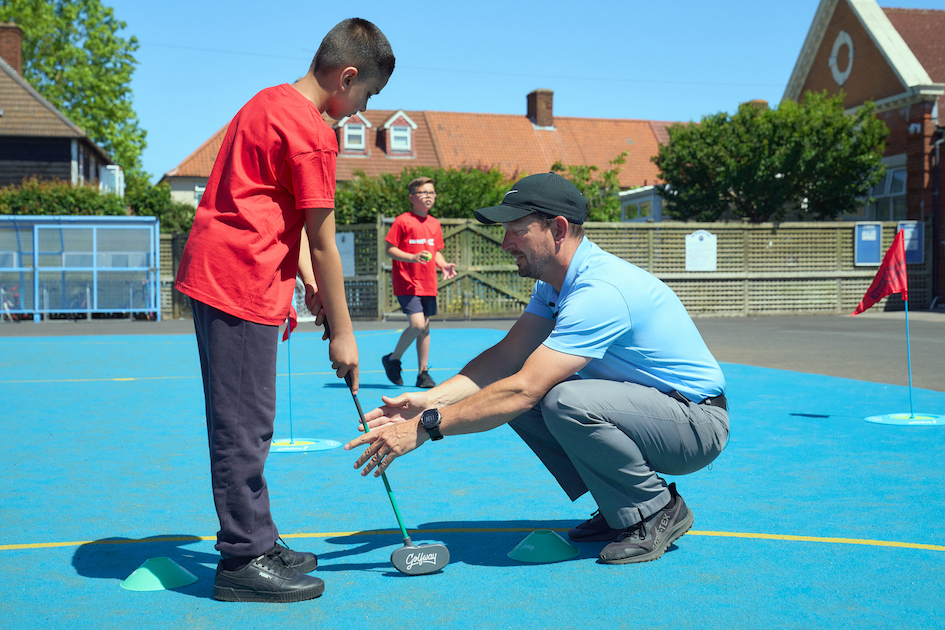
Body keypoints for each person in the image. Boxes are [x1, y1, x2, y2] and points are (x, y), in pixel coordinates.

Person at [346, 172, 729, 566]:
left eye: (517, 229)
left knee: (559, 397)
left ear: (558, 229)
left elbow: (523, 387)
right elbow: (507, 357)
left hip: (695, 424)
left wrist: (426, 425)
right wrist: (429, 398)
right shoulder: (554, 283)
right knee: (533, 397)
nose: (505, 242)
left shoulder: (599, 291)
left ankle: (653, 508)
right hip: (659, 413)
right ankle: (619, 505)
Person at [174, 18, 394, 602]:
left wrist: (307, 283)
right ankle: (242, 559)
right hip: (238, 281)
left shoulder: (268, 102)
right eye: (365, 97)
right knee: (246, 424)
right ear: (346, 77)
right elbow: (325, 239)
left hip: (224, 269)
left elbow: (276, 210)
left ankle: (259, 536)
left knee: (248, 418)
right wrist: (343, 334)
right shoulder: (313, 133)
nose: (359, 112)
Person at [381, 177, 457, 388]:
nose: (428, 196)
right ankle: (393, 359)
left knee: (425, 328)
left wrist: (443, 265)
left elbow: (436, 252)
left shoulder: (434, 223)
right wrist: (412, 257)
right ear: (412, 198)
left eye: (431, 192)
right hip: (407, 282)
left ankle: (422, 373)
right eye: (423, 192)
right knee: (417, 324)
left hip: (428, 283)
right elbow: (389, 250)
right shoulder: (403, 221)